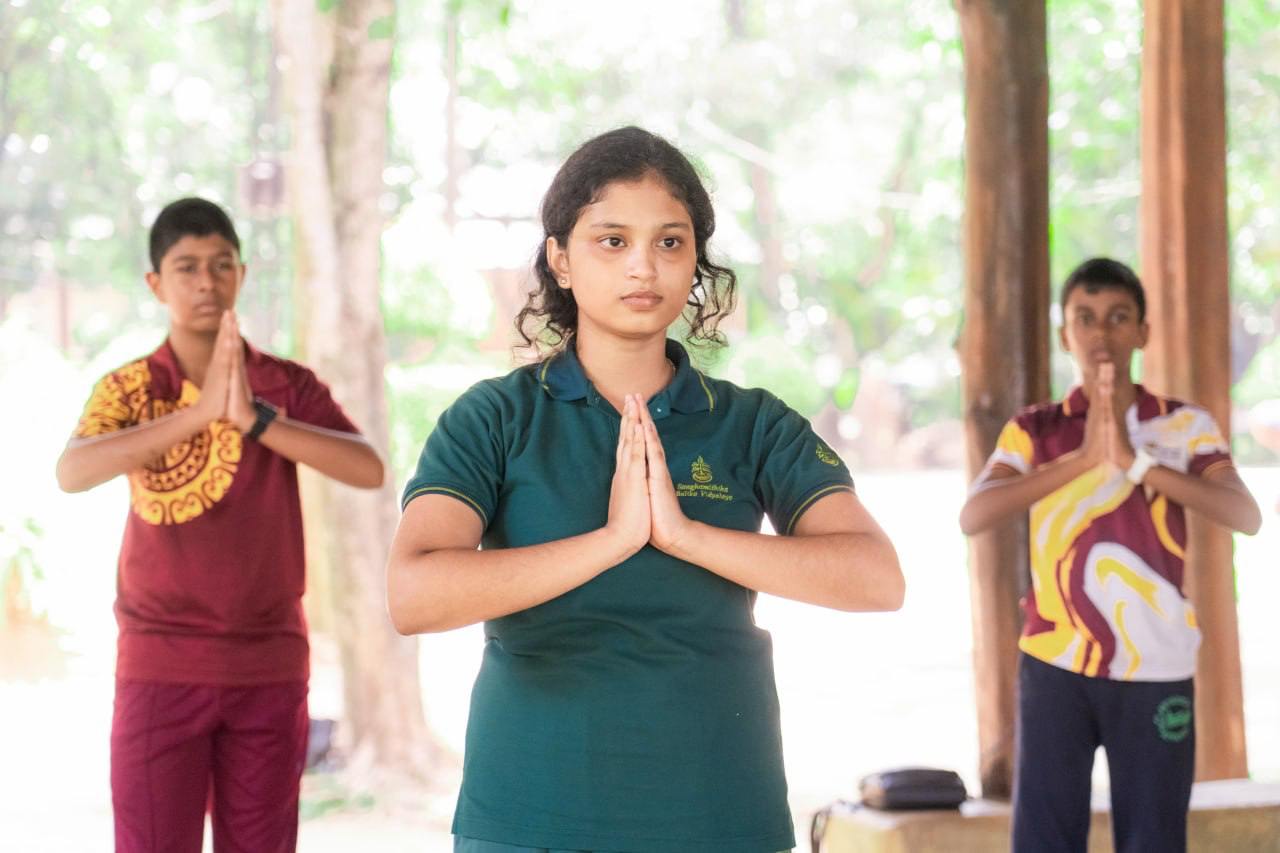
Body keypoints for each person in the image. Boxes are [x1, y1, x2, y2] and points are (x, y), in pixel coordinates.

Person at [386, 126, 904, 853]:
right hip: (531, 817)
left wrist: (687, 535)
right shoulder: (495, 417)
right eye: (611, 240)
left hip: (719, 815)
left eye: (670, 242)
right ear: (560, 259)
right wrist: (610, 541)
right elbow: (413, 594)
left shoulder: (752, 422)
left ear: (695, 262)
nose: (644, 266)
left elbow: (876, 578)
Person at [56, 197, 385, 852]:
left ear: (241, 273)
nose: (205, 282)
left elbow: (367, 466)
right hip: (159, 666)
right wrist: (202, 412)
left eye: (220, 264)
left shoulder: (285, 385)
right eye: (185, 268)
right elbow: (73, 471)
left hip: (268, 668)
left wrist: (257, 420)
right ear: (156, 284)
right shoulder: (129, 389)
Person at [958, 257, 1261, 853]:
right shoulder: (1035, 429)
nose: (1101, 333)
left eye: (1119, 317)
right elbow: (975, 515)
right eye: (1086, 318)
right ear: (1064, 335)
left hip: (1157, 666)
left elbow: (1244, 515)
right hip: (1054, 665)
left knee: (1153, 839)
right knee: (1045, 839)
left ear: (1143, 333)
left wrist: (1135, 461)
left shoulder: (1183, 426)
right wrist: (1084, 459)